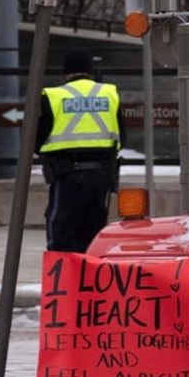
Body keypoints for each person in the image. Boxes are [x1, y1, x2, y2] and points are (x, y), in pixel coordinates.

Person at [37, 48, 125, 252]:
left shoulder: (54, 96)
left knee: (60, 229)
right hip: (102, 176)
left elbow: (38, 140)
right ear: (89, 70)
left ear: (65, 71)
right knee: (93, 234)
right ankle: (90, 280)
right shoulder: (109, 93)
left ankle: (62, 280)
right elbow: (121, 137)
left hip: (67, 176)